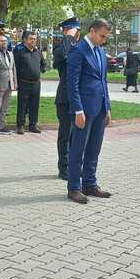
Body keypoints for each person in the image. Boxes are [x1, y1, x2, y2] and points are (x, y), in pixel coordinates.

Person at [66, 18, 113, 204]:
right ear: (92, 31)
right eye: (102, 36)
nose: (104, 40)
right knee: (78, 149)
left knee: (94, 148)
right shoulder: (78, 51)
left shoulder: (100, 51)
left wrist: (107, 107)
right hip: (83, 110)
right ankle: (74, 188)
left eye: (106, 37)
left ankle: (89, 184)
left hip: (99, 108)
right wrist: (78, 110)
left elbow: (103, 81)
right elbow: (72, 84)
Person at [53, 17, 80, 180]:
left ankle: (73, 166)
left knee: (76, 135)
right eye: (73, 31)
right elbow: (63, 57)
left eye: (76, 31)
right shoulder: (60, 47)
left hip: (78, 98)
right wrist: (68, 37)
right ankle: (63, 168)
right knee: (65, 134)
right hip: (65, 98)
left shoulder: (78, 47)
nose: (77, 34)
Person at [13, 30, 46, 134]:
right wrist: (16, 82)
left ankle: (33, 125)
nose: (33, 41)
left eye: (35, 39)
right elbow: (15, 67)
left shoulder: (37, 51)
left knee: (35, 105)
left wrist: (40, 69)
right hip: (24, 82)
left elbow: (43, 64)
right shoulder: (19, 51)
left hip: (36, 83)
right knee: (22, 105)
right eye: (31, 39)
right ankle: (20, 125)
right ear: (25, 40)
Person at [0, 34, 17, 134]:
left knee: (5, 106)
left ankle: (2, 125)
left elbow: (13, 69)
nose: (4, 43)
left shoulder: (10, 54)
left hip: (9, 83)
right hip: (0, 83)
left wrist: (15, 82)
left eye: (5, 41)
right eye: (1, 41)